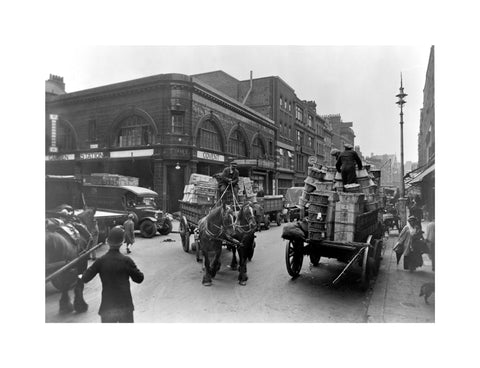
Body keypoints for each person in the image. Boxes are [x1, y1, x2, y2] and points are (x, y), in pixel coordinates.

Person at [81, 226, 144, 323]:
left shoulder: (101, 261)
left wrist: (79, 275)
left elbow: (85, 278)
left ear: (107, 241)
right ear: (122, 242)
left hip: (107, 306)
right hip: (125, 306)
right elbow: (139, 279)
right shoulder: (126, 261)